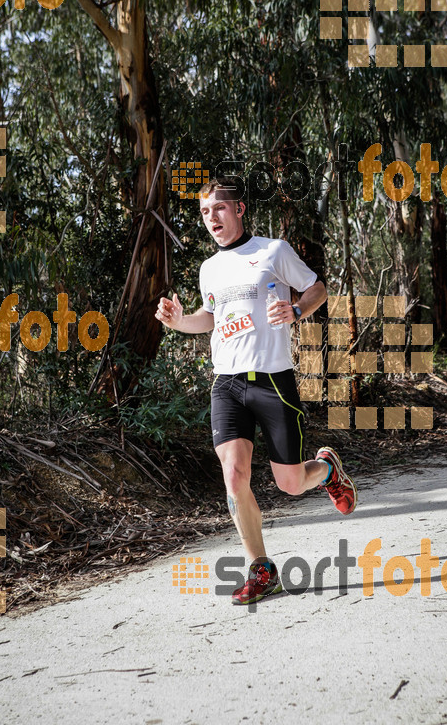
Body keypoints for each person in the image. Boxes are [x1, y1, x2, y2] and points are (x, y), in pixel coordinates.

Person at [155, 179, 357, 605]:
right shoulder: (208, 269)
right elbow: (208, 319)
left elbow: (317, 287)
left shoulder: (273, 251)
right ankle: (261, 570)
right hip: (226, 384)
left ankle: (327, 470)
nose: (212, 218)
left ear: (240, 209)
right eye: (205, 213)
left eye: (219, 209)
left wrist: (297, 308)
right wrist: (178, 322)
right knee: (233, 476)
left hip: (272, 381)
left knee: (290, 483)